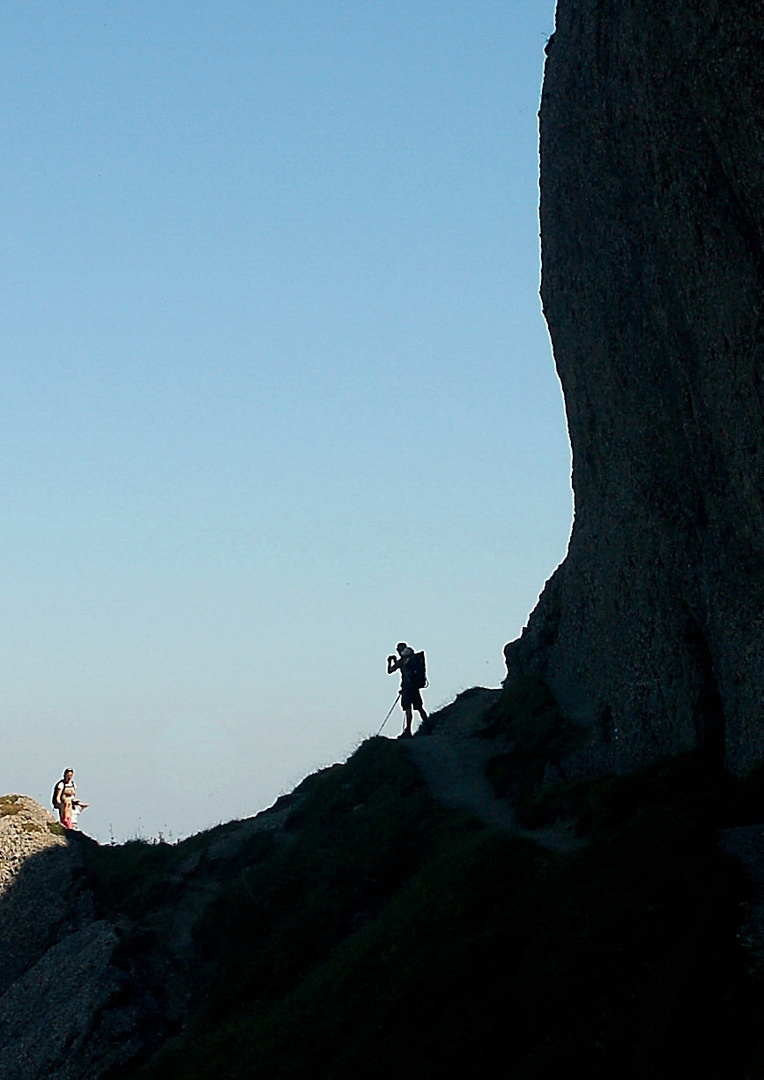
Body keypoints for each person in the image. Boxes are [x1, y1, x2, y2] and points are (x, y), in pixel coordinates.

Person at [387, 642, 429, 738]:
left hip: (407, 688)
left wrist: (390, 661)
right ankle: (428, 725)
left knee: (408, 709)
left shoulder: (403, 661)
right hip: (414, 687)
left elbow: (390, 671)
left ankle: (408, 731)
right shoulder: (412, 659)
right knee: (419, 707)